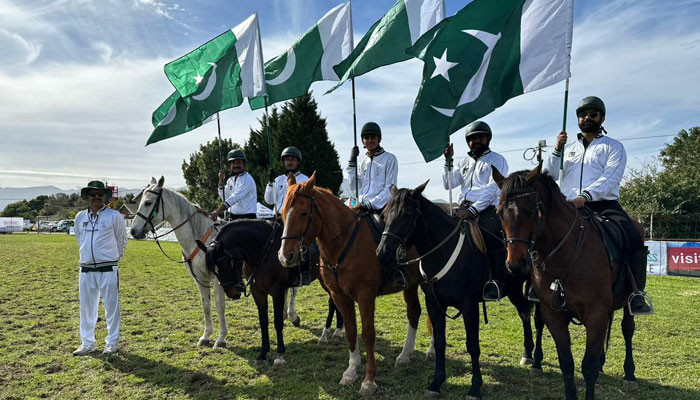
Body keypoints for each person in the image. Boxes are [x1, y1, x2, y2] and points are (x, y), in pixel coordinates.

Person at [544, 96, 652, 315]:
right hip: (569, 207)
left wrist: (586, 195)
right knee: (539, 235)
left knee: (632, 238)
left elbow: (611, 177)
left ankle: (636, 293)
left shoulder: (613, 146)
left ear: (601, 118)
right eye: (583, 115)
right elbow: (549, 174)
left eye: (592, 114)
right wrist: (557, 149)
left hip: (603, 205)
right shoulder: (568, 148)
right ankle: (540, 287)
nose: (587, 118)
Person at [443, 121, 508, 301]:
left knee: (493, 235)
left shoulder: (497, 160)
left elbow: (493, 188)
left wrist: (472, 210)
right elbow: (449, 183)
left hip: (486, 209)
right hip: (462, 207)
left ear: (487, 139)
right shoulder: (464, 162)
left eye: (480, 137)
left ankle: (496, 281)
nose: (476, 141)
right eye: (472, 139)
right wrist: (448, 161)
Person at [72, 180, 127, 356]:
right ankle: (87, 343)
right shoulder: (80, 217)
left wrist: (112, 258)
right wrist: (88, 255)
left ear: (105, 197)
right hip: (86, 269)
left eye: (100, 195)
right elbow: (80, 239)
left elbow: (121, 240)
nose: (96, 197)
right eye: (93, 195)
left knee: (111, 307)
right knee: (86, 308)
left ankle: (111, 342)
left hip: (108, 269)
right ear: (87, 197)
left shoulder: (114, 216)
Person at [346, 122, 402, 287]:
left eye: (373, 137)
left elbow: (390, 187)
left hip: (382, 206)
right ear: (363, 141)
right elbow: (353, 187)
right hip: (361, 206)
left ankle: (397, 270)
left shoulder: (389, 159)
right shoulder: (362, 161)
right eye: (366, 137)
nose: (370, 140)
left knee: (389, 233)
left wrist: (370, 205)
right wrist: (351, 163)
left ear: (379, 139)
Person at [265, 146, 311, 286]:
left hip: (294, 219)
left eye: (292, 160)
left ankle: (304, 272)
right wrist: (270, 183)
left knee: (302, 245)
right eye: (287, 160)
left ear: (298, 162)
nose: (289, 162)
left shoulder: (304, 179)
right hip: (278, 217)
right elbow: (269, 200)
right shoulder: (278, 180)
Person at [210, 149, 258, 221]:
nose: (236, 165)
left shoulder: (247, 179)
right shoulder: (230, 180)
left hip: (247, 219)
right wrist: (220, 181)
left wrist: (217, 211)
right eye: (233, 163)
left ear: (244, 164)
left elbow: (234, 198)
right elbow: (225, 198)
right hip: (233, 218)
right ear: (230, 165)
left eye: (238, 162)